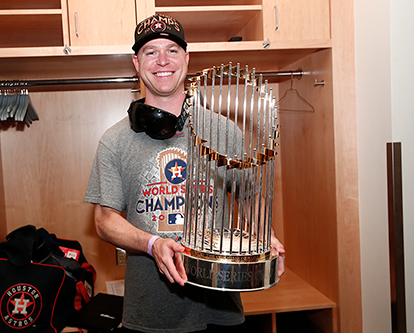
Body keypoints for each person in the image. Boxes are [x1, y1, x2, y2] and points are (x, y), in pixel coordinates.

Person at [84, 13, 285, 333]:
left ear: (187, 58)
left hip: (219, 310)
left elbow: (249, 197)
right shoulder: (115, 141)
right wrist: (152, 244)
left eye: (172, 50)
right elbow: (104, 220)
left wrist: (266, 239)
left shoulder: (224, 131)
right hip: (148, 315)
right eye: (151, 52)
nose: (162, 60)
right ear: (137, 63)